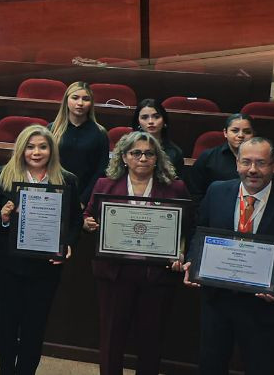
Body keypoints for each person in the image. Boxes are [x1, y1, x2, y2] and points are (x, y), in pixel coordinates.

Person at [184, 137, 274, 375]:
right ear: (237, 164)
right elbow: (199, 231)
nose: (252, 169)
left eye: (261, 163)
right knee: (211, 365)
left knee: (260, 367)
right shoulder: (217, 191)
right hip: (217, 300)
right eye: (246, 162)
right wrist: (193, 260)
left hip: (262, 306)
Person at [83, 132, 190, 375]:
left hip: (157, 275)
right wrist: (88, 223)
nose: (143, 158)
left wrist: (180, 252)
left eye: (149, 153)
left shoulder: (175, 188)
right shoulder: (105, 185)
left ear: (157, 158)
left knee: (151, 339)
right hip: (115, 274)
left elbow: (187, 227)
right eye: (136, 153)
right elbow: (89, 214)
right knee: (112, 339)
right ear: (124, 157)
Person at [0, 125, 81, 375]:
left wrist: (67, 244)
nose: (36, 152)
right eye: (30, 147)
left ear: (52, 150)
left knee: (34, 328)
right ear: (21, 149)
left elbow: (75, 221)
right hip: (7, 264)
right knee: (6, 325)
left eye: (43, 147)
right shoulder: (4, 175)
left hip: (45, 267)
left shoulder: (67, 180)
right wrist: (3, 216)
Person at [48, 82, 109, 206]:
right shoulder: (52, 129)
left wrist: (83, 200)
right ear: (66, 100)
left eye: (86, 99)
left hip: (85, 197)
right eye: (75, 98)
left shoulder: (100, 133)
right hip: (52, 195)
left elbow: (100, 171)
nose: (80, 103)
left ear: (91, 103)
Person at [187, 113, 254, 201]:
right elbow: (194, 192)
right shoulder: (208, 157)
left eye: (247, 132)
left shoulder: (263, 159)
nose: (241, 135)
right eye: (235, 131)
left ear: (253, 134)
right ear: (225, 133)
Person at [131, 98, 185, 175]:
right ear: (138, 122)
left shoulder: (174, 152)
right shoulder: (128, 148)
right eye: (144, 117)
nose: (150, 121)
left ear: (164, 121)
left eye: (156, 117)